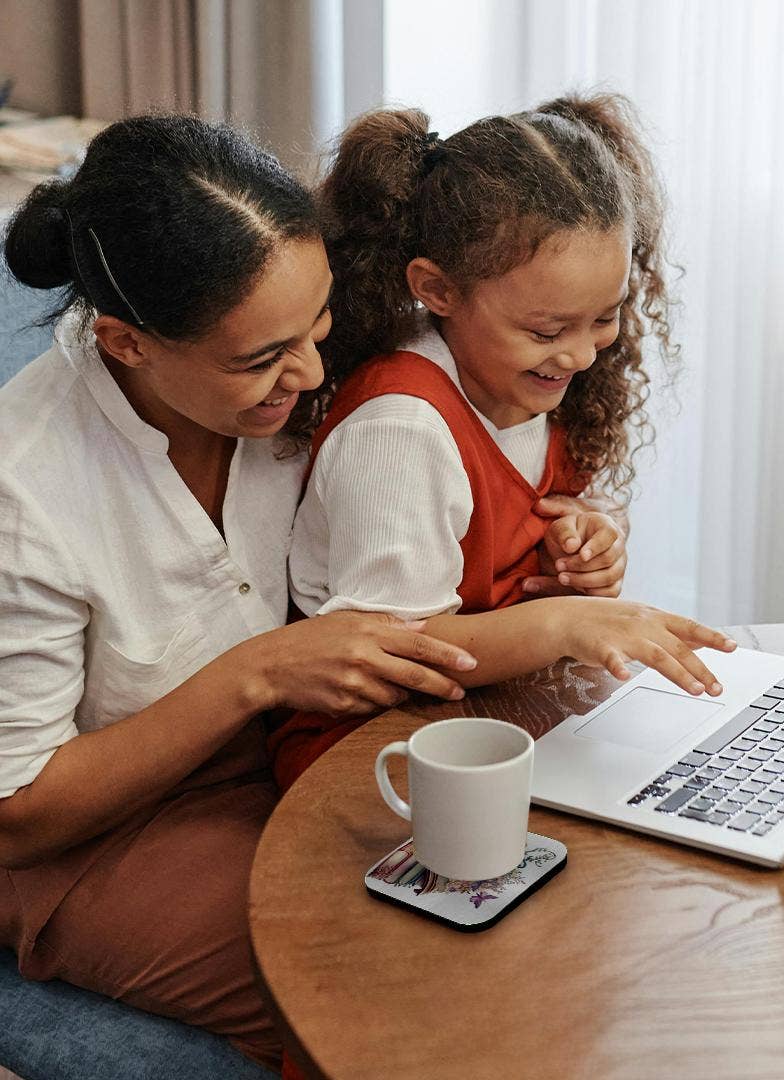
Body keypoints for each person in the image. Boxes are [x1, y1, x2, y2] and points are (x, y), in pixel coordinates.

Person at [0, 115, 478, 1070]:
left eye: (318, 325)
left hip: (289, 760)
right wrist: (257, 673)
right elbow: (18, 812)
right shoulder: (27, 491)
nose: (311, 373)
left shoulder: (293, 387)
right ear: (126, 344)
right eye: (261, 359)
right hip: (93, 840)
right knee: (390, 993)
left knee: (517, 910)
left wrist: (573, 526)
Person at [271, 93, 738, 794]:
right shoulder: (398, 430)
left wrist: (586, 545)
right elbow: (396, 649)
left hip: (494, 715)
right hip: (372, 750)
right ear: (437, 289)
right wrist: (565, 624)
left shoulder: (525, 379)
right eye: (548, 331)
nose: (581, 355)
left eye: (604, 318)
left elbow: (525, 524)